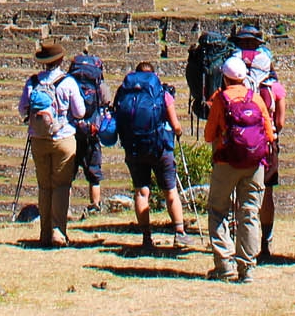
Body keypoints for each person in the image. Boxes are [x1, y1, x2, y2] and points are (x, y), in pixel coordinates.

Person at [203, 56, 275, 282]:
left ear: (224, 78)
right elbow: (269, 134)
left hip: (226, 162)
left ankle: (225, 265)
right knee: (250, 213)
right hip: (254, 164)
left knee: (217, 211)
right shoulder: (256, 99)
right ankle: (248, 268)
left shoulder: (220, 99)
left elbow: (207, 135)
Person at [17, 40, 89, 247]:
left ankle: (44, 232)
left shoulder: (32, 82)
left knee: (44, 186)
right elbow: (80, 112)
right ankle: (58, 231)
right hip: (63, 138)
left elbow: (22, 109)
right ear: (60, 60)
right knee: (61, 186)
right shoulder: (68, 82)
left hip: (38, 139)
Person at [113, 62, 191, 248]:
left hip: (133, 147)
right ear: (153, 76)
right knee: (170, 191)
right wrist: (178, 133)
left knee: (141, 191)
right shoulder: (161, 93)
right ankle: (179, 232)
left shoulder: (124, 93)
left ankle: (146, 238)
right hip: (159, 147)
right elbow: (176, 125)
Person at [231, 26, 286, 257]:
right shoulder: (274, 86)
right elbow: (280, 122)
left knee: (237, 191)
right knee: (266, 193)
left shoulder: (231, 79)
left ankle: (240, 242)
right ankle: (264, 243)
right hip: (266, 142)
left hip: (236, 142)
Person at [69, 55, 110, 212]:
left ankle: (64, 209)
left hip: (71, 133)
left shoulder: (68, 82)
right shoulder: (99, 84)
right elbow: (107, 102)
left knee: (67, 175)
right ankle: (95, 205)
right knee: (94, 174)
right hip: (92, 134)